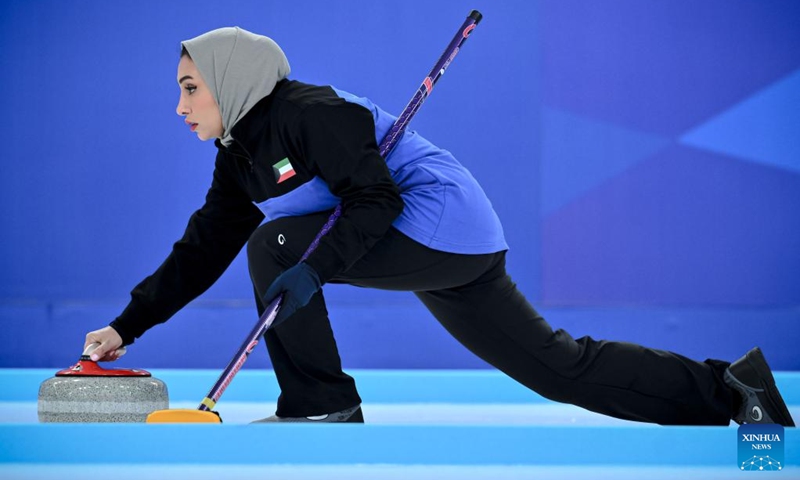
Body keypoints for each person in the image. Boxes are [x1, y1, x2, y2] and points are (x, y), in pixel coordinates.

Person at [85, 27, 794, 427]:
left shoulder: (310, 112)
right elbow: (200, 249)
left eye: (188, 87)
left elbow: (376, 201)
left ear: (230, 79)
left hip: (437, 223)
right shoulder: (238, 153)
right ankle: (736, 389)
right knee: (555, 367)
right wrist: (128, 324)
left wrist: (313, 268)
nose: (179, 105)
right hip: (448, 244)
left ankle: (322, 406)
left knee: (275, 243)